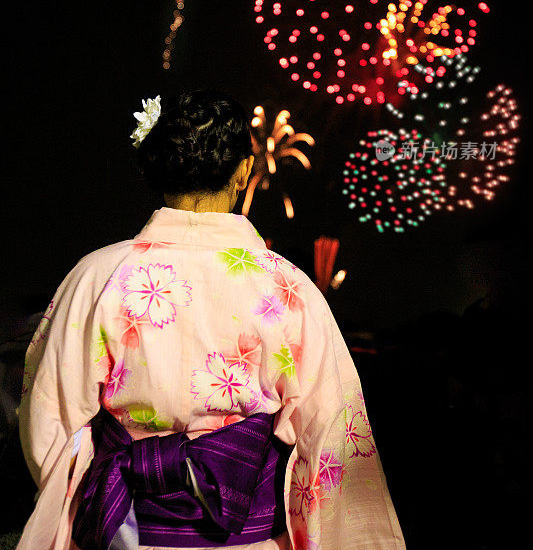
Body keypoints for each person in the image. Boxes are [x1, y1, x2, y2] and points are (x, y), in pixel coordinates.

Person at [16, 89, 405, 550]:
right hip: (248, 538)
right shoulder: (288, 286)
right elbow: (332, 436)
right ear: (244, 170)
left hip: (125, 531)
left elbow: (48, 421)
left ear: (155, 166)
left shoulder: (98, 275)